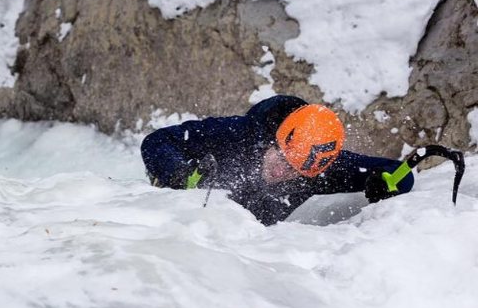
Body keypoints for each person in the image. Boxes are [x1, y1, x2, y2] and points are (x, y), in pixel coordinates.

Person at [140, 95, 413, 225]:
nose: (282, 171)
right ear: (274, 140)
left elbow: (395, 171)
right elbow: (157, 142)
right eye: (282, 159)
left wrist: (386, 182)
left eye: (294, 170)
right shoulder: (236, 134)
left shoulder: (316, 168)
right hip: (176, 230)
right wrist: (177, 173)